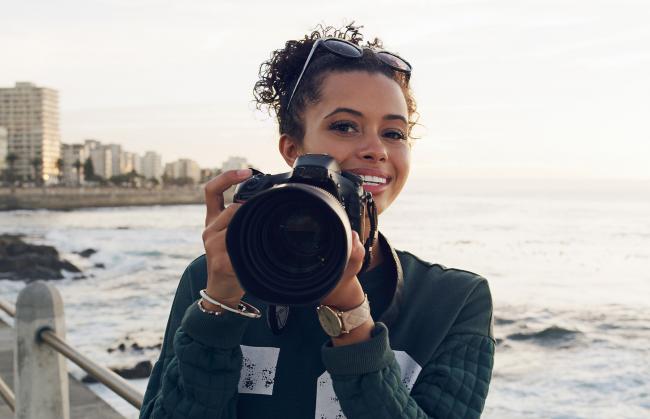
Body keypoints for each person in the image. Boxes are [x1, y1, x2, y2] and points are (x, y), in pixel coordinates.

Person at [140, 23, 495, 419]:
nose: (376, 149)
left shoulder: (453, 300)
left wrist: (352, 319)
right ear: (292, 149)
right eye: (345, 126)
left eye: (394, 132)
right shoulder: (216, 279)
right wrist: (219, 307)